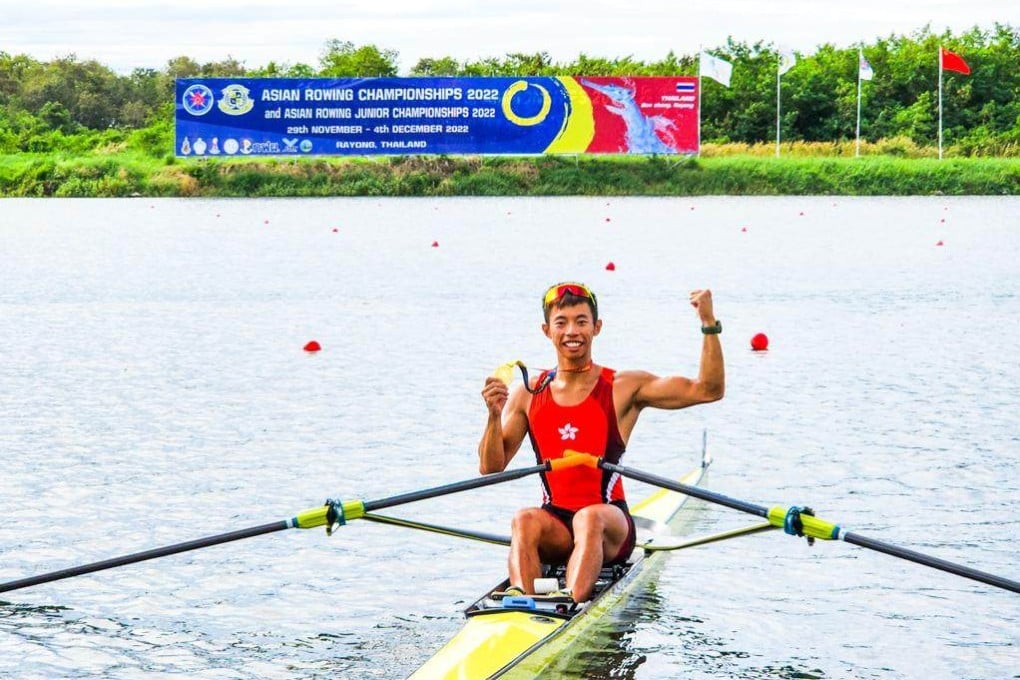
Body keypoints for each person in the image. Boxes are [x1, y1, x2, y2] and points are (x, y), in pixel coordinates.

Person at [478, 281, 724, 602]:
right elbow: (490, 466)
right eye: (561, 322)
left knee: (588, 517)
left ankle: (569, 602)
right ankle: (522, 602)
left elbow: (708, 389)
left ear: (596, 328)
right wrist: (493, 417)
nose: (572, 331)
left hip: (609, 526)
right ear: (546, 330)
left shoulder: (623, 387)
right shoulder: (527, 393)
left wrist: (708, 324)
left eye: (581, 321)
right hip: (557, 524)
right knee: (523, 519)